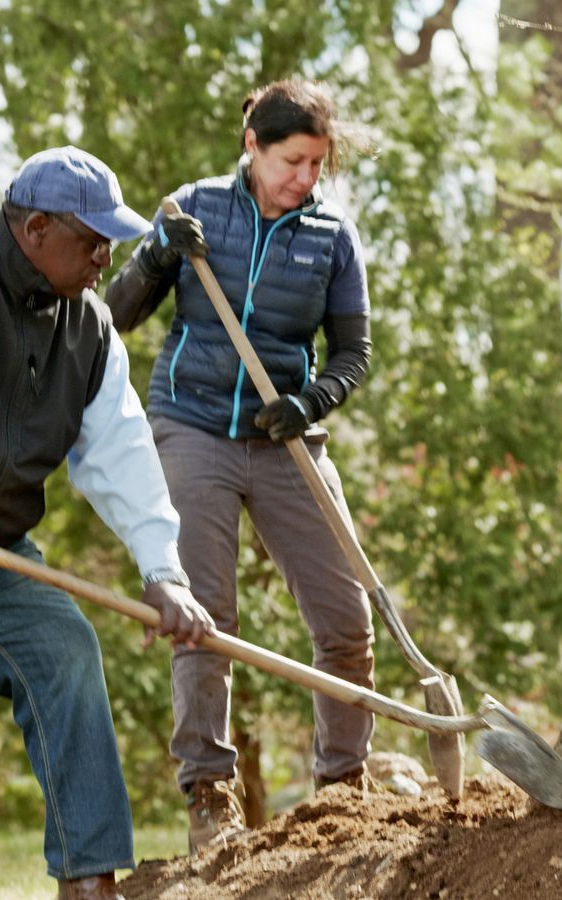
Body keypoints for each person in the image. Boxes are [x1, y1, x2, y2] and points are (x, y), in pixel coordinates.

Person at [0, 146, 216, 900]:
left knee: (67, 652)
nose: (109, 257)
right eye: (93, 240)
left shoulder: (91, 330)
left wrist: (163, 570)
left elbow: (122, 453)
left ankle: (91, 880)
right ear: (35, 227)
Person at [105, 78, 378, 853]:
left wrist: (313, 401)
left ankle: (343, 789)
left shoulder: (331, 236)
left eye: (317, 165)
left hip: (286, 438)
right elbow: (115, 315)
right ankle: (208, 793)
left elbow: (353, 354)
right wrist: (160, 257)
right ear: (253, 146)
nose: (306, 178)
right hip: (192, 429)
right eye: (294, 160)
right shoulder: (196, 209)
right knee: (204, 617)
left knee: (346, 619)